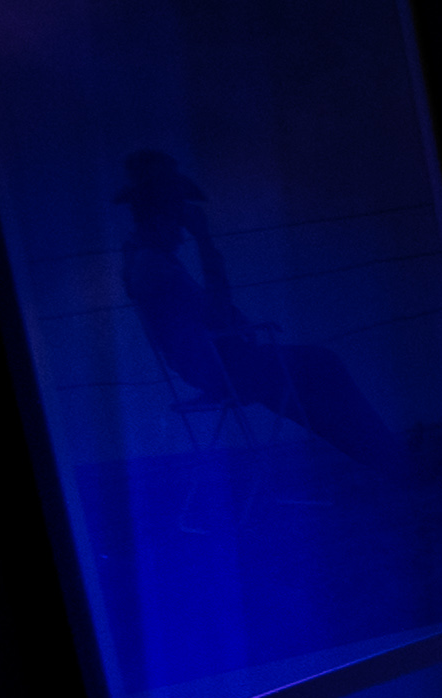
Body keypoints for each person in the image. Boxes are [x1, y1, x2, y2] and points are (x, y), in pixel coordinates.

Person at [112, 151, 400, 471]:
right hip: (221, 369)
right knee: (321, 366)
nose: (181, 233)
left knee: (305, 389)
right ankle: (388, 457)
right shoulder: (154, 266)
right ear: (159, 215)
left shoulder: (146, 259)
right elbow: (217, 313)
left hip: (217, 366)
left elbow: (202, 318)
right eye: (177, 216)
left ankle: (386, 456)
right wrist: (204, 240)